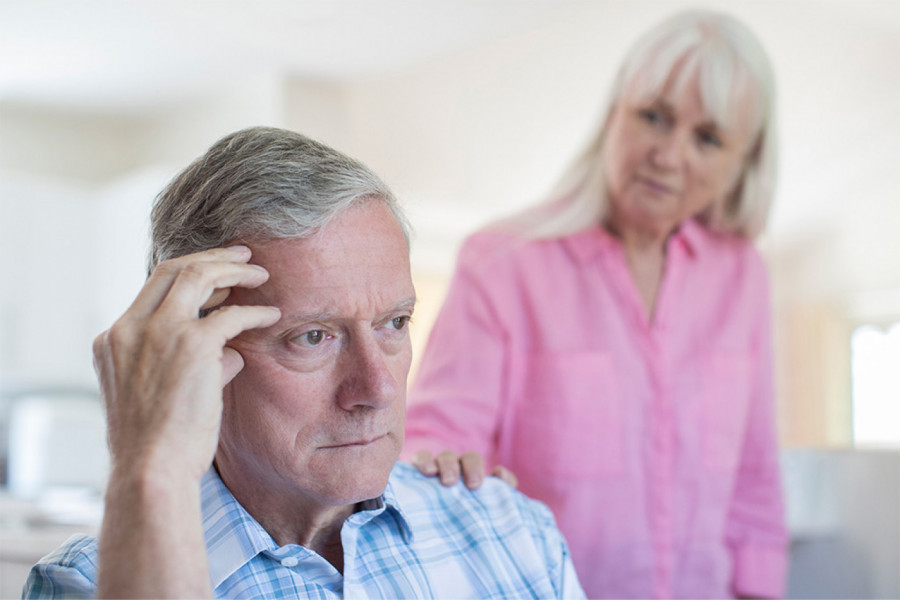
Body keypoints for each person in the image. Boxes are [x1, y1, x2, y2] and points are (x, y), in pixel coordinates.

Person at [23, 127, 585, 599]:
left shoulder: (510, 528)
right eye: (312, 337)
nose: (376, 388)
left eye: (394, 324)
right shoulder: (88, 583)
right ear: (192, 354)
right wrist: (151, 468)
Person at [404, 9, 789, 599]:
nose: (669, 154)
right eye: (654, 117)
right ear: (615, 114)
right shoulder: (501, 263)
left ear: (742, 163)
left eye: (707, 138)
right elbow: (436, 449)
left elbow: (755, 480)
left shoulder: (743, 277)